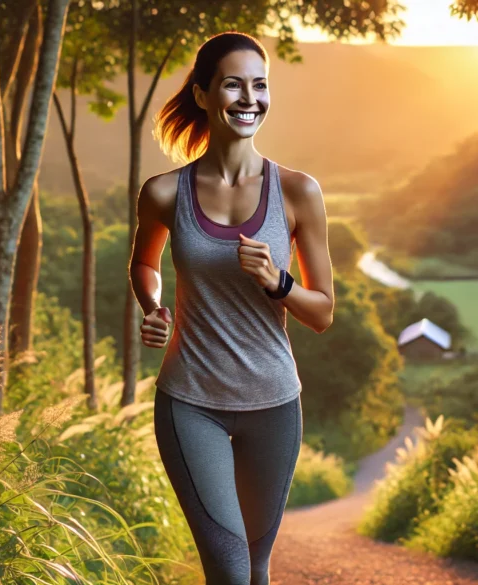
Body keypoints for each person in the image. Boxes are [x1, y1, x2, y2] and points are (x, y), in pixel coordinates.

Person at [128, 31, 335, 585]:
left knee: (256, 568)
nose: (250, 98)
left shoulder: (297, 192)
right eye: (234, 85)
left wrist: (278, 281)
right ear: (203, 95)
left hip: (274, 404)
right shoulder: (165, 193)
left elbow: (321, 312)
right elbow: (144, 265)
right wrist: (152, 305)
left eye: (260, 86)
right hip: (191, 401)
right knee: (229, 566)